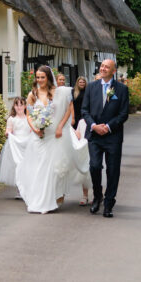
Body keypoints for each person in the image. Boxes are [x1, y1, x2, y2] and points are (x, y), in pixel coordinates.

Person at [16, 66, 83, 213]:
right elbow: (28, 114)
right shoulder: (32, 94)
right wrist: (35, 129)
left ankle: (53, 197)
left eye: (42, 77)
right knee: (38, 169)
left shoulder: (58, 92)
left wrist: (60, 126)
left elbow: (68, 109)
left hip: (54, 136)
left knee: (52, 169)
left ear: (48, 78)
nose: (39, 80)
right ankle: (38, 199)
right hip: (38, 136)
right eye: (38, 77)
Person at [80, 58, 129, 218]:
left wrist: (107, 127)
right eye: (102, 66)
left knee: (113, 170)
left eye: (107, 67)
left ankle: (109, 202)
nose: (103, 69)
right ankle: (97, 195)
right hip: (94, 135)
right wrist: (94, 126)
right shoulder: (91, 87)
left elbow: (123, 114)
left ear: (114, 71)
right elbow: (84, 110)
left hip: (113, 135)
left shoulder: (121, 89)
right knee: (94, 166)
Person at [0, 97, 33, 193]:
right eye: (17, 105)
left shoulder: (29, 118)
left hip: (27, 144)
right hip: (16, 144)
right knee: (18, 166)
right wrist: (8, 133)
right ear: (14, 106)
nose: (19, 107)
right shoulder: (12, 119)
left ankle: (27, 188)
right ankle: (19, 189)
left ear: (25, 106)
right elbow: (8, 130)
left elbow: (32, 129)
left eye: (21, 105)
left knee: (28, 166)